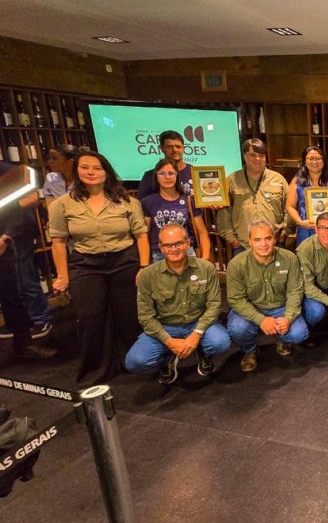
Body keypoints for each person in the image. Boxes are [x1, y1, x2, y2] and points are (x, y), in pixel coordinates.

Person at [48, 150, 150, 385]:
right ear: (77, 171)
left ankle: (134, 362)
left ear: (107, 172)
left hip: (124, 262)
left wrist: (143, 266)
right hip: (86, 264)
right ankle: (97, 370)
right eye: (85, 167)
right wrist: (63, 275)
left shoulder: (128, 202)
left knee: (129, 315)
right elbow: (59, 242)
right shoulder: (62, 205)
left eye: (97, 168)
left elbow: (141, 236)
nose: (91, 172)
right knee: (90, 317)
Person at [125, 224, 229, 384]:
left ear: (188, 243)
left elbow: (215, 305)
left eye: (179, 243)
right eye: (168, 245)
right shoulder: (147, 276)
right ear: (160, 248)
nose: (174, 248)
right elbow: (145, 317)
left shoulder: (205, 268)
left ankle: (202, 351)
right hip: (166, 327)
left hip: (198, 323)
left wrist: (196, 335)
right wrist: (168, 341)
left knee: (220, 342)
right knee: (135, 362)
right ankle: (167, 358)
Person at [226, 220, 309, 372]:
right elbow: (236, 300)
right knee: (237, 329)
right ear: (249, 241)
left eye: (268, 238)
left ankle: (282, 340)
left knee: (299, 333)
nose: (263, 244)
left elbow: (295, 291)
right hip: (251, 308)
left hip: (281, 308)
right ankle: (250, 350)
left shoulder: (289, 258)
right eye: (257, 239)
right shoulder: (236, 264)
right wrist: (261, 320)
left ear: (274, 239)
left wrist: (288, 318)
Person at [0, 162, 56, 359]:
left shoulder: (6, 170)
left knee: (11, 295)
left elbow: (19, 208)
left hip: (4, 244)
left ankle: (23, 342)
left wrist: (6, 236)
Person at [217, 139, 288, 254]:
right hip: (243, 246)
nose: (257, 159)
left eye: (261, 155)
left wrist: (284, 232)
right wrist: (232, 240)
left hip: (274, 243)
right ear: (244, 156)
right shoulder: (232, 180)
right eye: (253, 155)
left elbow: (289, 207)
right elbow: (224, 212)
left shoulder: (278, 179)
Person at [141, 158, 210, 262]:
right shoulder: (147, 202)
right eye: (162, 173)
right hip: (159, 255)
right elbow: (144, 235)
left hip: (186, 252)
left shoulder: (188, 200)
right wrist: (145, 263)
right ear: (156, 176)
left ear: (177, 175)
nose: (167, 177)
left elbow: (202, 232)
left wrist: (205, 257)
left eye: (171, 173)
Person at [287, 145, 328, 247]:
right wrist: (300, 222)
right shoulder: (296, 182)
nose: (314, 162)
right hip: (306, 228)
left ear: (324, 160)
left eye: (318, 158)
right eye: (311, 158)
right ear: (304, 161)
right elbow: (290, 206)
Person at [137, 130, 192, 199]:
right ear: (161, 148)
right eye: (169, 147)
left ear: (183, 148)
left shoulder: (195, 173)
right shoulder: (149, 176)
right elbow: (141, 204)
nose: (175, 150)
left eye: (178, 147)